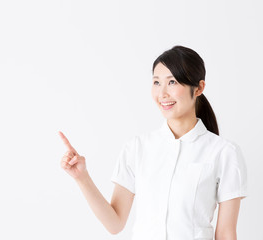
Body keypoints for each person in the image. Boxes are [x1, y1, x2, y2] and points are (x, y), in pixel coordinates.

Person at [58, 45, 247, 240]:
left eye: (172, 82)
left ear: (198, 88)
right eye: (156, 82)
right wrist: (82, 177)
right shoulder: (137, 148)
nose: (162, 93)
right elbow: (114, 224)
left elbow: (225, 233)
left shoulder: (224, 153)